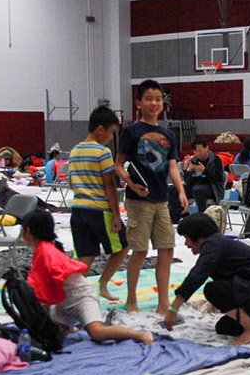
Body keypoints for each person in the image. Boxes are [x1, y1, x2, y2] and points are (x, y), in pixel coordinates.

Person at [20, 211, 151, 346]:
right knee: (50, 331)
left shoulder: (45, 252)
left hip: (81, 298)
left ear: (28, 231)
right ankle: (70, 326)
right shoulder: (44, 249)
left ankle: (139, 334)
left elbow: (42, 290)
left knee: (97, 332)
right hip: (64, 302)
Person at [164, 214, 250, 346]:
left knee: (212, 290)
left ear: (198, 235)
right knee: (224, 327)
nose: (186, 244)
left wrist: (174, 309)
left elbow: (198, 274)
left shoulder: (213, 244)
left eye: (187, 238)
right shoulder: (220, 244)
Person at [115, 79, 189, 315]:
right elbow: (118, 165)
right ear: (139, 102)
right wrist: (132, 185)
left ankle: (162, 302)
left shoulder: (167, 133)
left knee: (167, 249)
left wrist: (180, 190)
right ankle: (131, 298)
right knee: (140, 250)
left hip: (162, 200)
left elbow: (172, 166)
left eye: (158, 99)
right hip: (138, 201)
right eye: (149, 98)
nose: (154, 103)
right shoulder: (131, 131)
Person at [67, 105, 128, 302]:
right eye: (111, 133)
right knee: (123, 247)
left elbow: (70, 182)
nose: (111, 137)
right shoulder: (102, 152)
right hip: (99, 210)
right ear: (100, 129)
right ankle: (103, 284)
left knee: (86, 254)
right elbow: (109, 186)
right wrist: (116, 215)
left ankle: (70, 291)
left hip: (77, 208)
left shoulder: (74, 151)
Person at [183, 139, 227, 213]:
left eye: (200, 151)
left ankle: (202, 216)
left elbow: (219, 179)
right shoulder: (193, 161)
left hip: (210, 188)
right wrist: (187, 170)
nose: (198, 153)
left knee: (198, 190)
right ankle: (177, 217)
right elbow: (187, 181)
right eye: (195, 151)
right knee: (174, 189)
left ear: (207, 148)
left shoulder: (215, 160)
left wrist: (204, 171)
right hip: (193, 186)